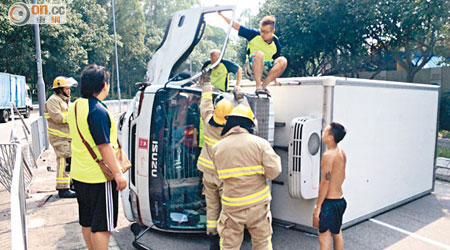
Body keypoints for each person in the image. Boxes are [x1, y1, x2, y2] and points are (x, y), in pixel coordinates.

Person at [68, 64, 127, 250]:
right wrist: (118, 174)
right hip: (99, 178)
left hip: (79, 175)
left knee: (87, 221)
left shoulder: (76, 106)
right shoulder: (98, 112)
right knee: (101, 225)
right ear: (104, 85)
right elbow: (104, 147)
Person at [211, 103, 282, 250]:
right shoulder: (261, 144)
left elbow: (219, 174)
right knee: (262, 242)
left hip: (232, 206)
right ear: (249, 124)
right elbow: (274, 171)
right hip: (258, 205)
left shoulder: (217, 147)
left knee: (229, 245)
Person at [197, 71, 235, 250]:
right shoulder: (233, 131)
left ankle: (212, 237)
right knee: (226, 208)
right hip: (223, 175)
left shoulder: (208, 120)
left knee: (211, 207)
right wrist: (241, 98)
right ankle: (224, 241)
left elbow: (206, 103)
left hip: (207, 174)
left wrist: (206, 82)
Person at [219, 13, 288, 97]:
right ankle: (259, 87)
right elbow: (236, 26)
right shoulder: (254, 34)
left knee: (283, 60)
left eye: (266, 32)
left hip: (264, 70)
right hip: (250, 69)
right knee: (260, 54)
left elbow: (275, 63)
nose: (263, 34)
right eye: (261, 31)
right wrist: (221, 15)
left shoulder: (276, 43)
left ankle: (263, 87)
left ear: (272, 31)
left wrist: (274, 79)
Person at [313, 122, 347, 250]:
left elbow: (325, 183)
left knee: (324, 237)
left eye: (325, 132)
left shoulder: (328, 156)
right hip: (340, 200)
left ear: (331, 137)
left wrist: (318, 207)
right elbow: (343, 176)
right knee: (337, 233)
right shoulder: (341, 152)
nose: (322, 133)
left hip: (330, 203)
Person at [44, 76, 78, 198]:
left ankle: (70, 184)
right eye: (67, 88)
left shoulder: (64, 100)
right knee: (64, 161)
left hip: (66, 137)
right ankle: (63, 189)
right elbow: (57, 117)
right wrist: (73, 117)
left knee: (70, 161)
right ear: (59, 89)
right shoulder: (53, 101)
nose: (69, 91)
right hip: (59, 137)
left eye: (69, 88)